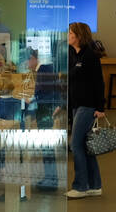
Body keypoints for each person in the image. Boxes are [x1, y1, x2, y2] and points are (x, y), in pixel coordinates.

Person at [66, 21, 106, 199]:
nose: (68, 36)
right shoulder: (71, 54)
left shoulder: (90, 56)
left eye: (70, 33)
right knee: (84, 145)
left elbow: (99, 82)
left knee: (75, 144)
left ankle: (81, 186)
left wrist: (100, 107)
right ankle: (95, 185)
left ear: (79, 36)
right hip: (76, 104)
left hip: (87, 105)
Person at [27, 48, 63, 192]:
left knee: (46, 147)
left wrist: (30, 99)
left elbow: (45, 93)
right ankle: (50, 178)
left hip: (45, 111)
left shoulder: (43, 70)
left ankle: (51, 180)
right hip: (47, 110)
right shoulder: (45, 68)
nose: (26, 64)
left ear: (33, 58)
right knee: (46, 147)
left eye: (27, 60)